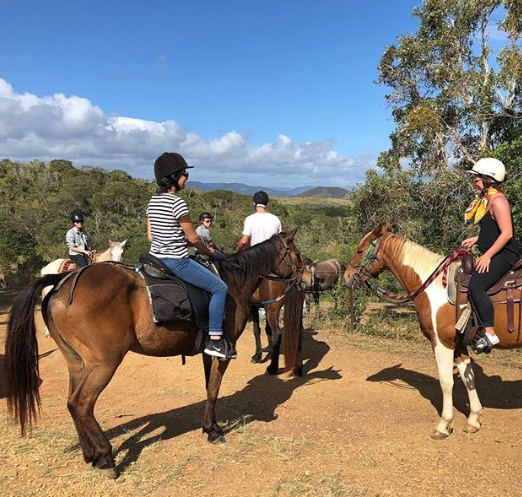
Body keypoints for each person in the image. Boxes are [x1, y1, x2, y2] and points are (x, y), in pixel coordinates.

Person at [146, 152, 234, 360]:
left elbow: (151, 237)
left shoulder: (152, 202)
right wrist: (210, 251)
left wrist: (181, 240)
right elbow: (194, 239)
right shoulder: (177, 203)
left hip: (154, 259)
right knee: (220, 288)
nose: (187, 177)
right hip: (176, 261)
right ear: (174, 176)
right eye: (184, 173)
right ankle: (215, 340)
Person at [462, 158, 520, 354]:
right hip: (498, 251)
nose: (474, 180)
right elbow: (493, 231)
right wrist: (477, 239)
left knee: (476, 286)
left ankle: (490, 333)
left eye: (477, 177)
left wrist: (487, 255)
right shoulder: (488, 201)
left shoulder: (499, 201)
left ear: (489, 179)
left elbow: (507, 233)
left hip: (505, 254)